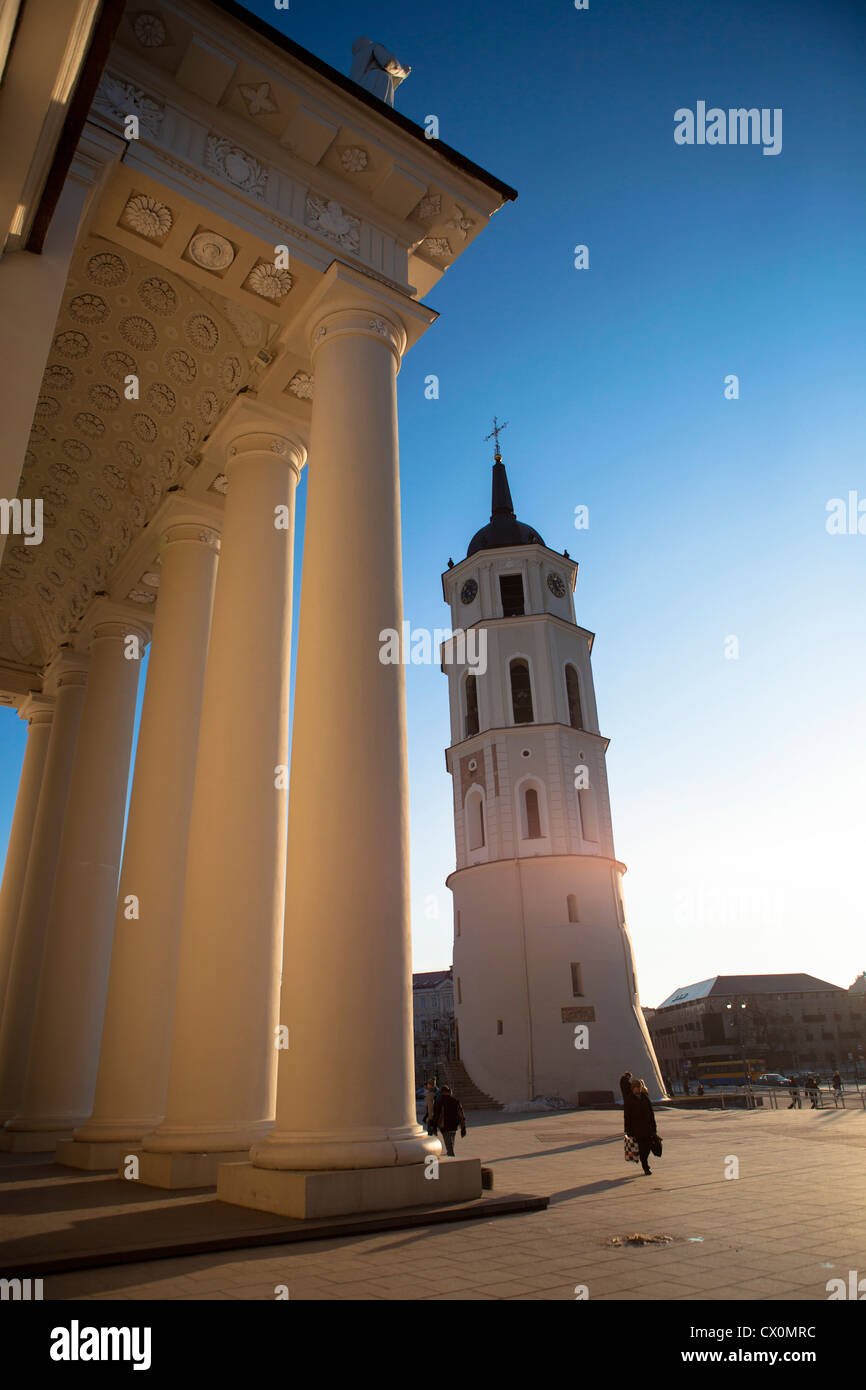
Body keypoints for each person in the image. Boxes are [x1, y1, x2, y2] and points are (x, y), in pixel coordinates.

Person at [628, 1077, 658, 1175]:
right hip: (637, 1129)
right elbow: (627, 1116)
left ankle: (644, 1160)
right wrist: (628, 1130)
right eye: (636, 1087)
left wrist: (654, 1127)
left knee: (648, 1147)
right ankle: (645, 1167)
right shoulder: (630, 1099)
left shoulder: (645, 1097)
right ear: (633, 1088)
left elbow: (651, 1113)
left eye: (639, 1087)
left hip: (648, 1127)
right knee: (642, 1147)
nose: (637, 1088)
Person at [432, 1084, 466, 1157]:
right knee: (451, 1143)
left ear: (441, 1092)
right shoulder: (456, 1101)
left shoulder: (439, 1101)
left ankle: (451, 1157)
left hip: (444, 1125)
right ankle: (450, 1154)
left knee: (448, 1144)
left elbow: (436, 1115)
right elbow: (461, 1115)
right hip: (454, 1125)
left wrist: (434, 1126)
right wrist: (463, 1127)